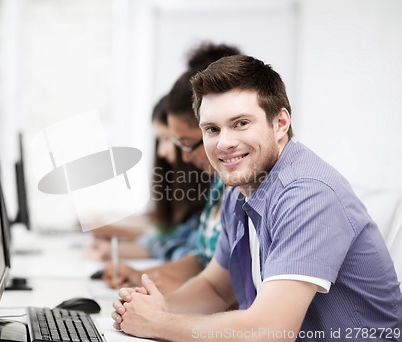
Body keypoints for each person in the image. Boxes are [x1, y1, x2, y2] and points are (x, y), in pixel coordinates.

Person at [111, 55, 402, 341]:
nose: (224, 143)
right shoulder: (239, 192)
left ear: (280, 123)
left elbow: (271, 331)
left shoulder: (308, 193)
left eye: (240, 123)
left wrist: (159, 323)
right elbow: (214, 288)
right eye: (212, 129)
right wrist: (150, 308)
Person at [102, 42, 241, 292]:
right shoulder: (222, 184)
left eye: (180, 142)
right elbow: (204, 264)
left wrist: (158, 302)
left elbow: (229, 291)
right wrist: (142, 278)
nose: (174, 154)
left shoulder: (257, 189)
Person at [88, 94, 210, 262]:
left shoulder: (212, 190)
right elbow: (164, 234)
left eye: (167, 139)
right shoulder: (186, 188)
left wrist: (116, 243)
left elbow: (192, 256)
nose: (162, 151)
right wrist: (114, 248)